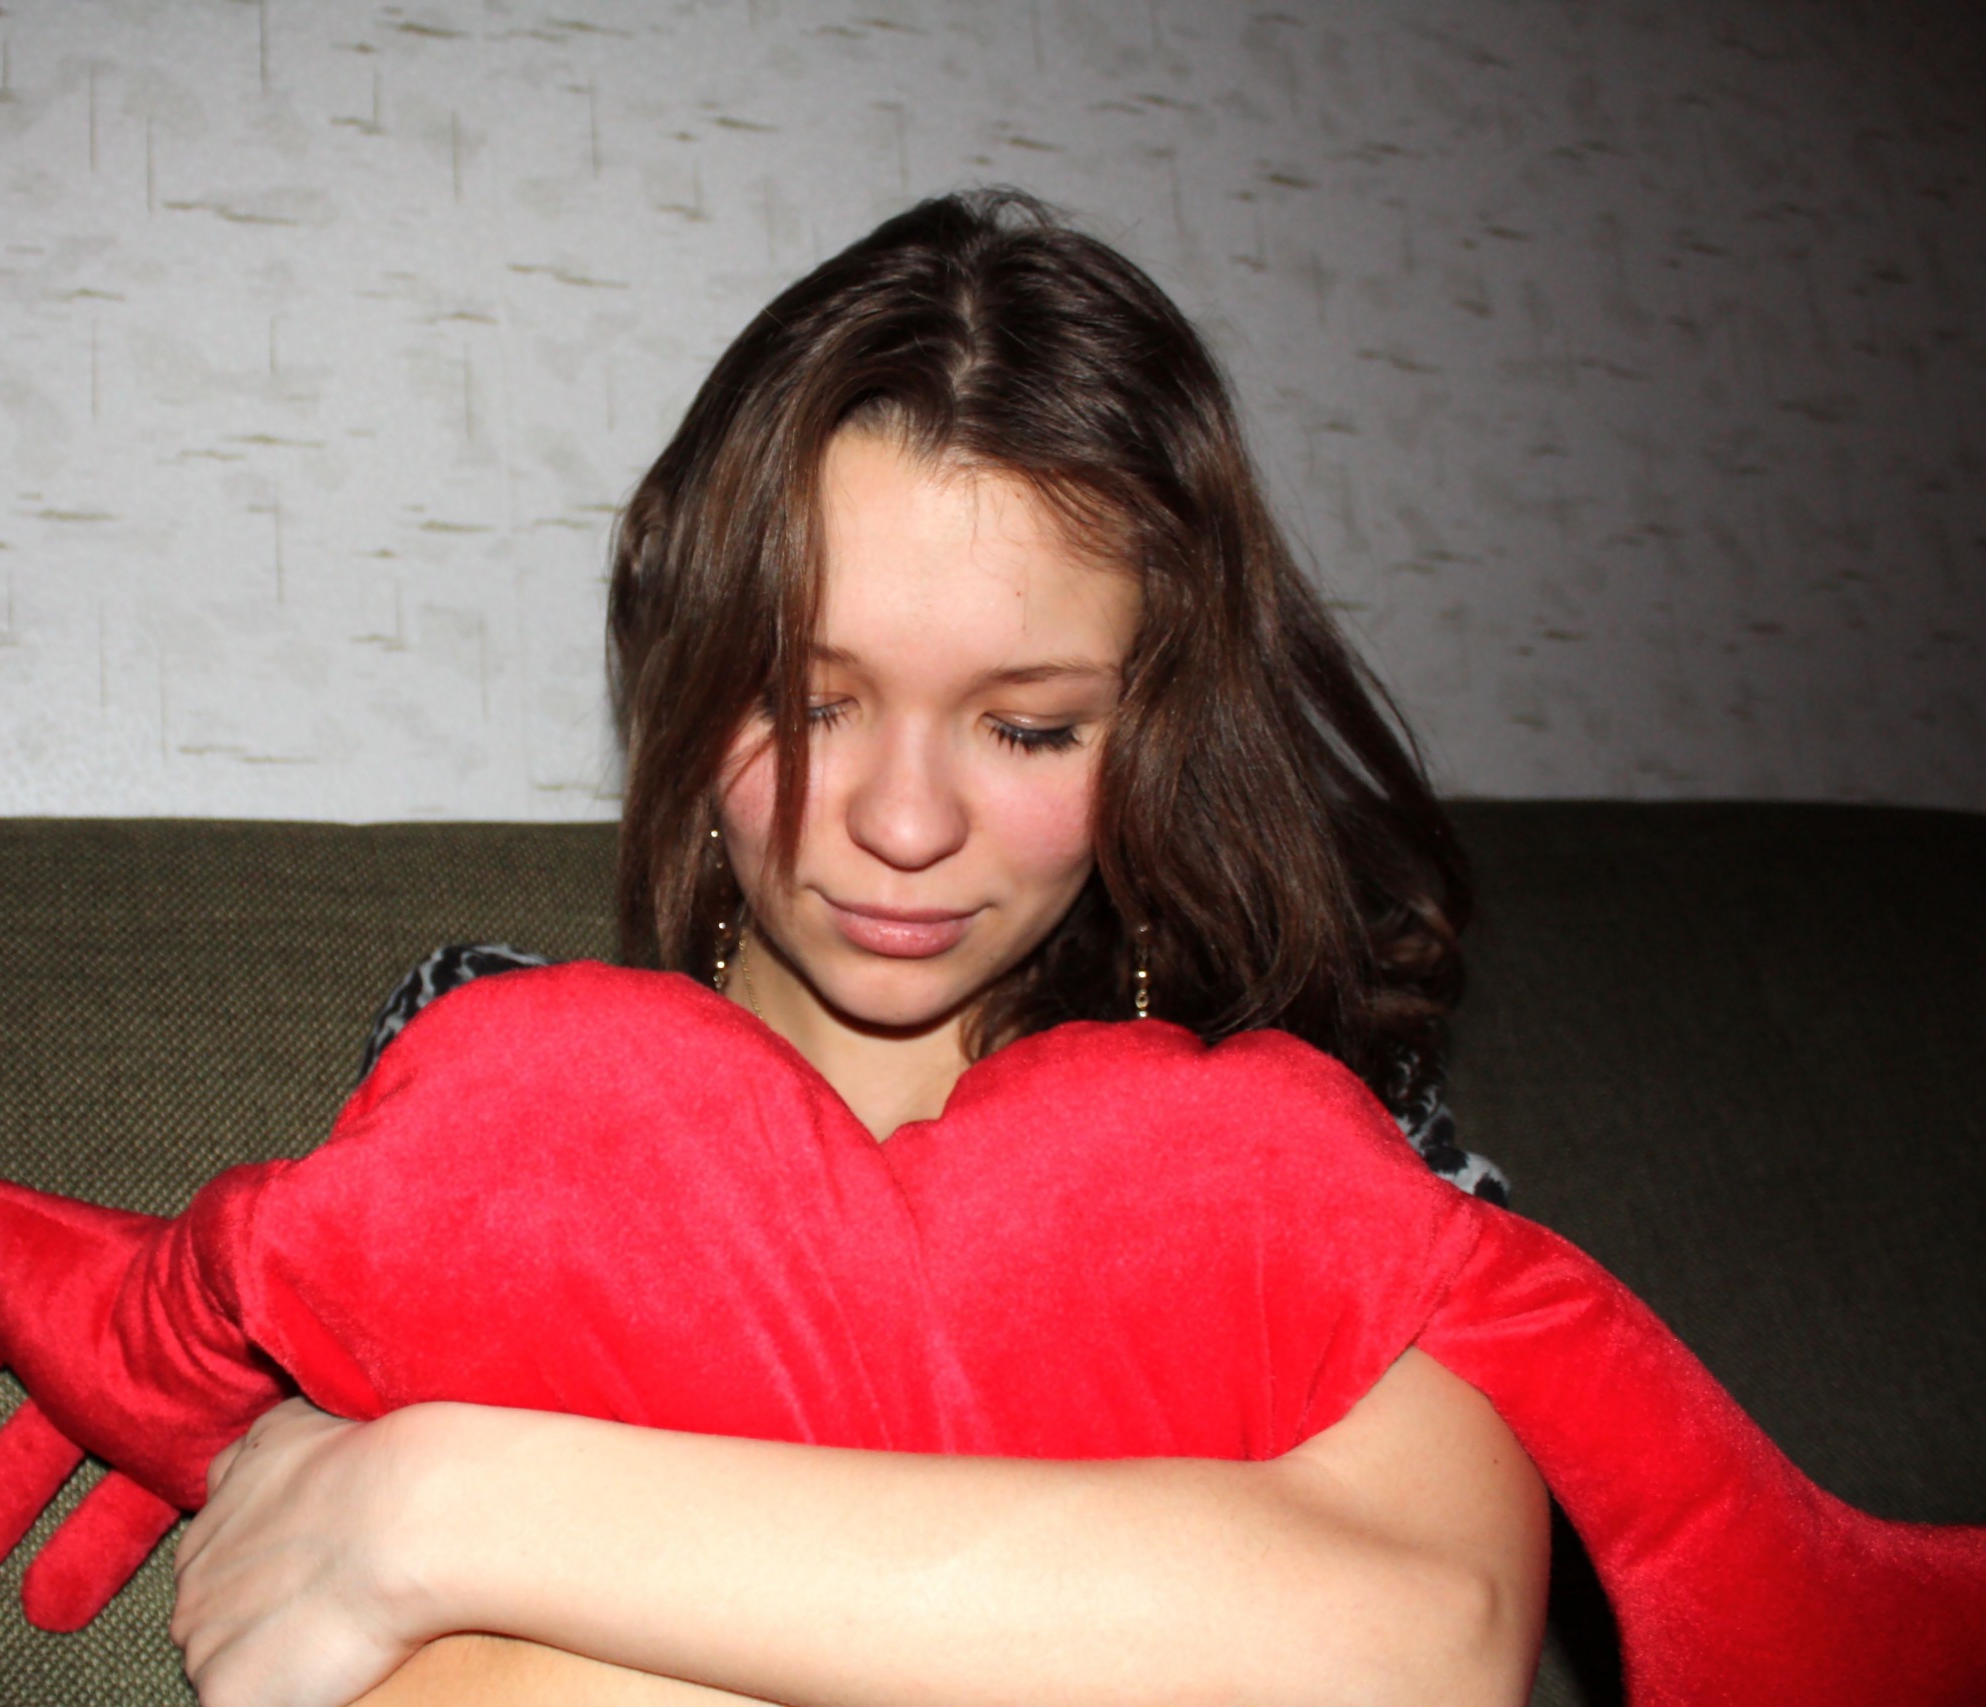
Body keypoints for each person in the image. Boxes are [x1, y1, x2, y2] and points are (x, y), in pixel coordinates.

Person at [163, 189, 1552, 1707]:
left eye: (1030, 727)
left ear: (1166, 732)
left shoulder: (1311, 1116)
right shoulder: (502, 1068)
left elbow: (1426, 1645)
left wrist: (440, 1506)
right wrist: (1139, 1614)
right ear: (686, 677)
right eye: (809, 702)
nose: (902, 823)